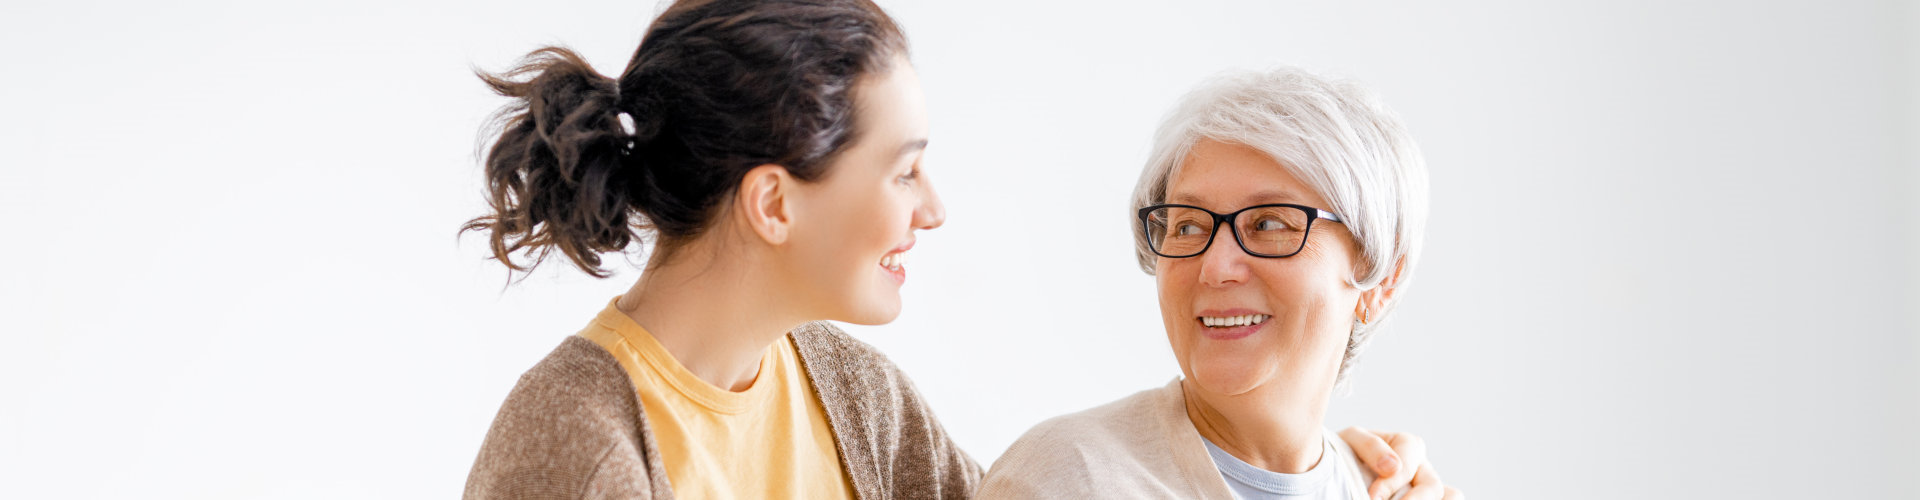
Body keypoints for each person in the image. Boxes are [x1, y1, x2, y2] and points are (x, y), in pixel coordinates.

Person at [461, 1, 1449, 498]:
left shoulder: (853, 392)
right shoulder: (581, 440)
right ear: (773, 202)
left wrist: (1315, 471)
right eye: (902, 170)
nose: (932, 208)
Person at [977, 67, 1464, 500]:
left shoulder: (1392, 488)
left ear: (1382, 277)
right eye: (1188, 226)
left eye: (1270, 223)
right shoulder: (1070, 478)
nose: (1216, 266)